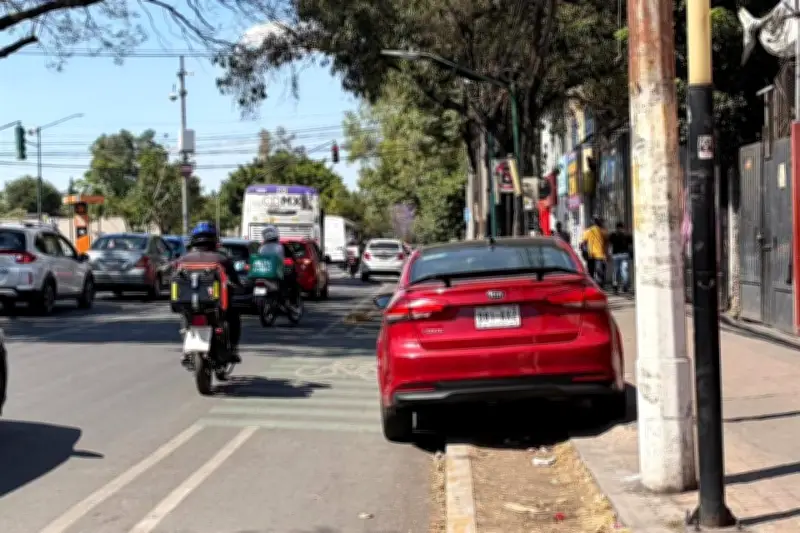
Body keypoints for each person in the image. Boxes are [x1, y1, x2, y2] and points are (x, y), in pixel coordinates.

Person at [179, 221, 242, 363]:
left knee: (185, 319)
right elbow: (235, 280)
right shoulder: (222, 259)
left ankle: (185, 350)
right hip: (216, 305)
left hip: (189, 305)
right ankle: (233, 348)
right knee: (233, 316)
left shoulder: (184, 259)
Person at [581, 216, 609, 285]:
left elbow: (583, 243)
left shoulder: (587, 231)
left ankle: (591, 285)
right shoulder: (603, 231)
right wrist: (607, 253)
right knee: (600, 271)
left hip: (590, 255)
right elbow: (607, 243)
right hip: (600, 255)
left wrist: (584, 252)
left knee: (591, 271)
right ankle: (600, 286)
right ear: (599, 222)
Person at [609, 222, 633, 293]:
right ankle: (625, 286)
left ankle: (616, 286)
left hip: (616, 255)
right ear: (622, 227)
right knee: (624, 271)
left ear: (616, 227)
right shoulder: (625, 235)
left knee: (616, 271)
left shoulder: (613, 235)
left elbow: (610, 245)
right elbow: (631, 243)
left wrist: (609, 254)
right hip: (624, 255)